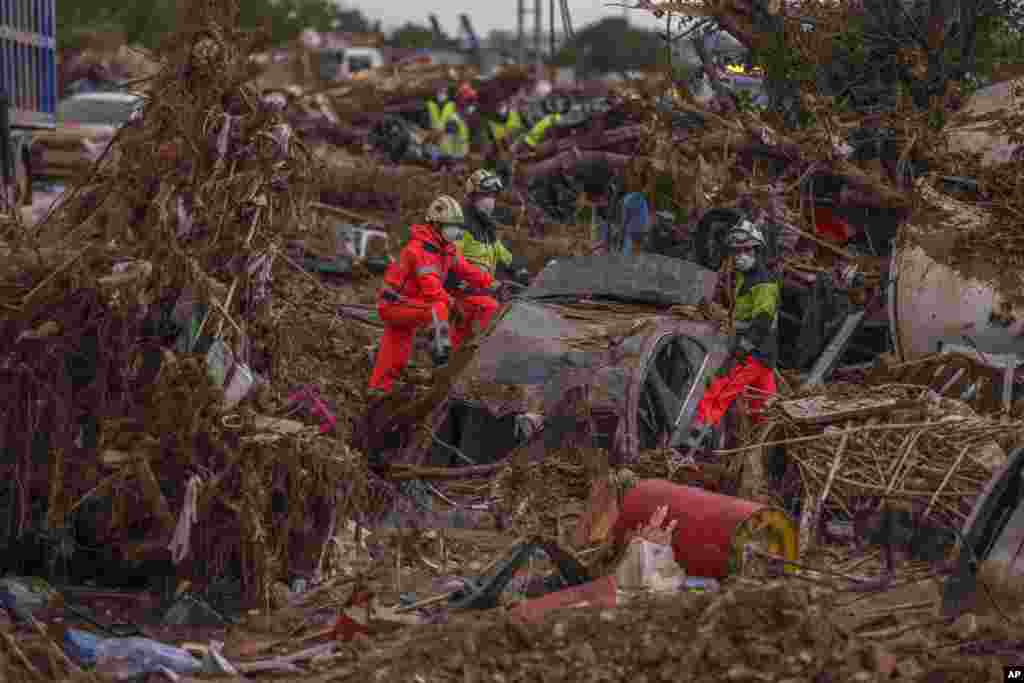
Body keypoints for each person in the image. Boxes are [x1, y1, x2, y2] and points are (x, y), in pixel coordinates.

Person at [368, 196, 500, 393]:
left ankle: (379, 389)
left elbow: (467, 270)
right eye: (451, 226)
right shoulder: (421, 250)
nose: (455, 230)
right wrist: (453, 304)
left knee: (395, 351)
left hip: (406, 304)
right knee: (438, 308)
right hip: (396, 305)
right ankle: (442, 363)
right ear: (436, 224)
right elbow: (433, 291)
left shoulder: (445, 248)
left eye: (457, 226)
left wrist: (493, 284)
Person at [684, 219, 779, 449]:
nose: (740, 256)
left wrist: (740, 351)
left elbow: (762, 321)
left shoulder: (763, 282)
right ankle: (764, 451)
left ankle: (689, 449)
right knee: (764, 409)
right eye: (736, 252)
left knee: (718, 394)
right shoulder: (744, 278)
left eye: (746, 251)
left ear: (757, 250)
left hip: (753, 353)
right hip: (764, 356)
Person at [455, 169, 528, 287]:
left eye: (492, 195)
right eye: (484, 195)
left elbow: (503, 255)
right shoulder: (461, 225)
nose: (490, 200)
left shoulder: (487, 228)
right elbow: (455, 260)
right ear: (472, 197)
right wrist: (485, 281)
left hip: (484, 290)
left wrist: (521, 271)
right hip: (465, 292)